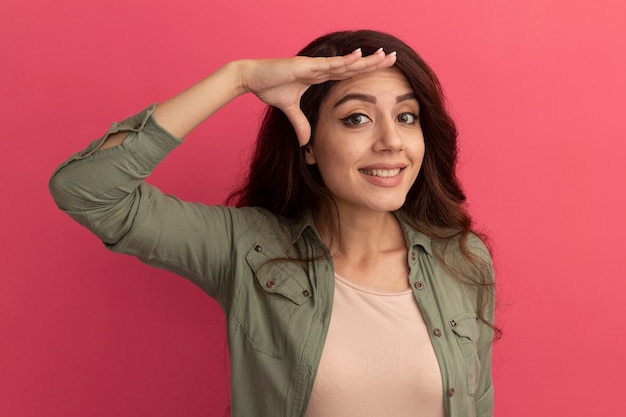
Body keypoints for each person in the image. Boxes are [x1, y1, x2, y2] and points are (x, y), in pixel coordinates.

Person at [50, 29, 496, 417]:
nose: (391, 141)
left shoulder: (462, 258)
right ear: (309, 145)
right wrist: (238, 77)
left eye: (406, 116)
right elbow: (87, 189)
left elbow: (477, 404)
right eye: (357, 118)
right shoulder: (247, 248)